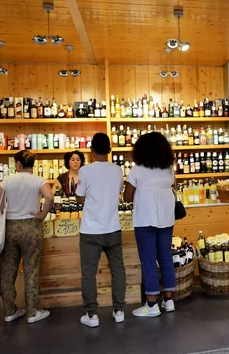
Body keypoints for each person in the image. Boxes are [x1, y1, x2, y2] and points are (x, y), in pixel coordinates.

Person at [0, 150, 54, 324]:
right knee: (31, 270)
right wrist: (42, 215)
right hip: (31, 227)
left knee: (8, 271)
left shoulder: (7, 180)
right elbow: (49, 197)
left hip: (10, 227)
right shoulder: (38, 180)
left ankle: (9, 311)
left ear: (18, 164)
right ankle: (32, 312)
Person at [75, 133, 126, 328]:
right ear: (110, 150)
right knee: (118, 270)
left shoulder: (85, 171)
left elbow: (79, 198)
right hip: (113, 228)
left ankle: (92, 315)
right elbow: (118, 192)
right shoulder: (117, 170)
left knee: (88, 273)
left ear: (91, 151)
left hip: (90, 231)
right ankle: (119, 310)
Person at [124, 132, 176, 317]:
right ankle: (169, 300)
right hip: (166, 218)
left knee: (148, 260)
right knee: (165, 257)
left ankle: (152, 303)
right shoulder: (169, 169)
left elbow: (127, 196)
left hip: (145, 218)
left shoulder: (137, 169)